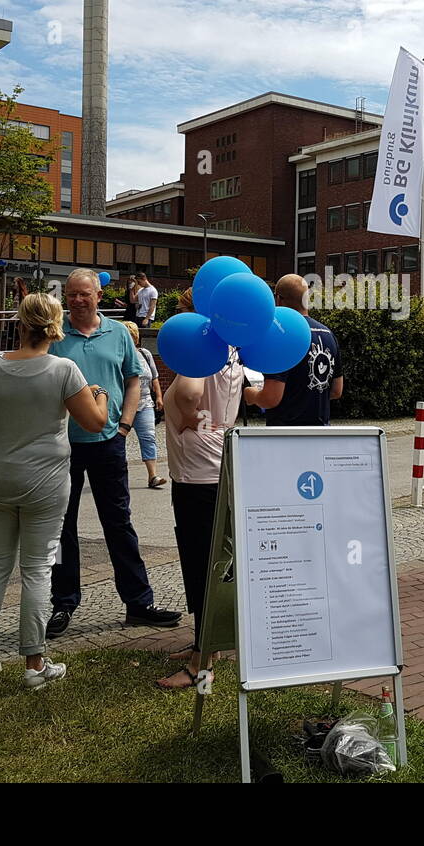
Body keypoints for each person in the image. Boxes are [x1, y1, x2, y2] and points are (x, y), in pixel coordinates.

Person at [0, 293, 109, 689]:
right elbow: (95, 423)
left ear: (20, 322)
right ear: (56, 325)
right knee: (37, 569)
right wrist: (101, 394)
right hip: (44, 482)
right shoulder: (64, 369)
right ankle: (34, 663)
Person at [46, 268, 182, 638]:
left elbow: (133, 379)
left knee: (119, 523)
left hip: (108, 443)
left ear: (98, 296)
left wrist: (123, 427)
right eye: (71, 294)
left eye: (83, 294)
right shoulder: (55, 336)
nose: (76, 300)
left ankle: (139, 602)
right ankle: (62, 602)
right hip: (64, 447)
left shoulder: (119, 333)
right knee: (61, 527)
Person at [157, 288, 256, 689]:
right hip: (216, 460)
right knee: (213, 558)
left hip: (198, 469)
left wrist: (185, 419)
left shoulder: (200, 352)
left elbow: (189, 392)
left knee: (201, 560)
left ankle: (201, 662)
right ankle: (206, 644)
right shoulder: (231, 347)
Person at [250, 274, 343, 426]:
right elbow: (336, 391)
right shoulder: (328, 334)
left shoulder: (281, 335)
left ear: (278, 299)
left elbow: (270, 398)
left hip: (286, 436)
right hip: (322, 434)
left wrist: (252, 395)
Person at [122, 319, 167, 489]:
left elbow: (154, 377)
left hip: (145, 402)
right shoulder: (118, 355)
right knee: (118, 441)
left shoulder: (145, 354)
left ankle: (153, 475)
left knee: (148, 437)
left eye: (132, 335)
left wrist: (159, 397)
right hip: (123, 404)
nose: (131, 338)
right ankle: (118, 476)